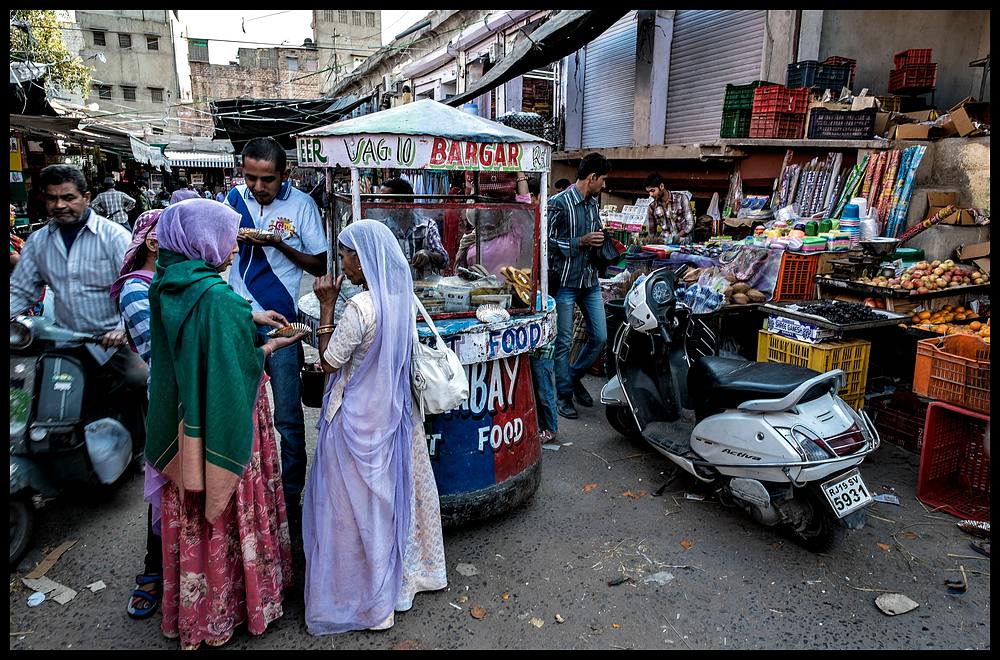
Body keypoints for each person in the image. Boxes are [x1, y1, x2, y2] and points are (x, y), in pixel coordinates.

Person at [145, 199, 301, 650]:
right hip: (226, 418)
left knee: (191, 513)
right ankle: (238, 604)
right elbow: (235, 362)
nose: (233, 247)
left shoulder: (169, 282)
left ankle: (194, 608)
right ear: (201, 240)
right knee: (231, 505)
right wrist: (269, 347)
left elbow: (201, 333)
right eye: (227, 236)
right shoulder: (216, 297)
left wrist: (248, 316)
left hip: (184, 420)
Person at [303, 219, 447, 634]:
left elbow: (328, 362)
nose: (343, 264)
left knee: (353, 512)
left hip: (355, 423)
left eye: (347, 256)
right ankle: (404, 581)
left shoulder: (359, 308)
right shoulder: (401, 299)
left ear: (363, 261)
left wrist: (326, 306)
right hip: (395, 416)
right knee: (391, 503)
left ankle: (364, 595)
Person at [225, 136, 328, 526]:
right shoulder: (233, 202)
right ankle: (245, 497)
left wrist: (277, 244)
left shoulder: (302, 206)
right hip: (237, 320)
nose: (257, 187)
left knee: (287, 417)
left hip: (285, 325)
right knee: (238, 413)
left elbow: (319, 265)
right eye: (250, 178)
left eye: (266, 179)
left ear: (284, 175)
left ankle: (291, 499)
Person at [9, 165, 141, 438]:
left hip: (112, 343)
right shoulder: (37, 242)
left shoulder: (114, 236)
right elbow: (21, 290)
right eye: (52, 198)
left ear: (87, 197)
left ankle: (140, 449)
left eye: (68, 197)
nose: (60, 205)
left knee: (133, 386)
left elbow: (134, 287)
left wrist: (121, 328)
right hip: (66, 341)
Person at [110, 209, 166, 620]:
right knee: (163, 484)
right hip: (168, 397)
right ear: (153, 243)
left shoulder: (169, 281)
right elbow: (159, 354)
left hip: (191, 394)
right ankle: (152, 571)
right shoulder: (136, 289)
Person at [548, 153, 611, 420]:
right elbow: (545, 241)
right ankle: (563, 395)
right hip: (565, 282)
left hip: (589, 281)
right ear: (592, 177)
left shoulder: (593, 205)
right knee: (563, 342)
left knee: (600, 337)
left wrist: (600, 242)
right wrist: (579, 242)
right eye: (603, 180)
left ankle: (573, 376)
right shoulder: (558, 204)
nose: (604, 187)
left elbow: (595, 235)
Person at [375, 177, 449, 279]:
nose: (381, 202)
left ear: (403, 201)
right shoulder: (380, 229)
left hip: (424, 291)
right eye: (380, 198)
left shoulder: (427, 226)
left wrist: (428, 255)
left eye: (386, 199)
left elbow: (444, 260)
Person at [644, 173, 693, 243]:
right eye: (649, 192)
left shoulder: (681, 198)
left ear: (661, 186)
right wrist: (651, 240)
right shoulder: (652, 207)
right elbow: (652, 233)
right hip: (664, 244)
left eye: (653, 190)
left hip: (683, 243)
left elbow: (690, 224)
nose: (651, 194)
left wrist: (677, 236)